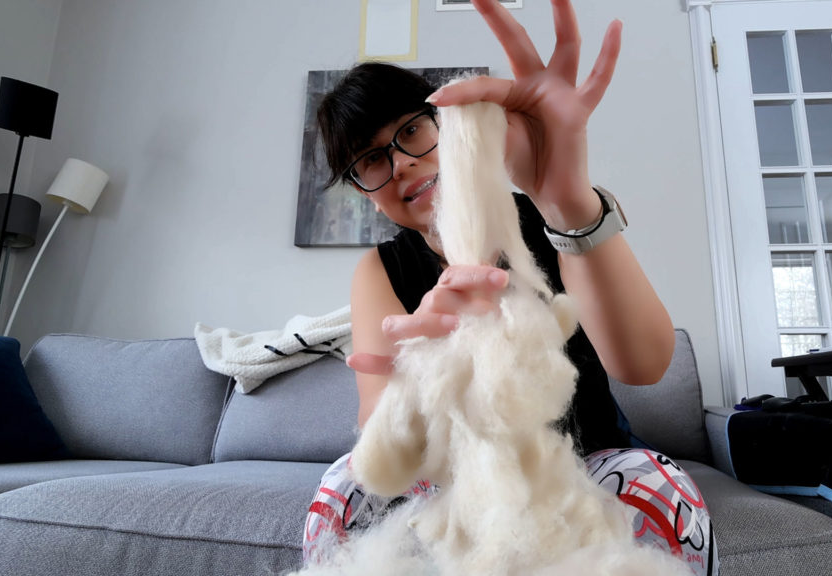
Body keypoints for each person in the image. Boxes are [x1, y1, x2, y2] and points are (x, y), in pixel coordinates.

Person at [302, 1, 716, 574]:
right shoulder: (379, 270)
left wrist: (567, 200)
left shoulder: (552, 219)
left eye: (411, 131)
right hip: (452, 479)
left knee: (660, 493)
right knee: (339, 495)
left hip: (588, 456)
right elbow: (383, 451)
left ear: (446, 124)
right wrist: (427, 356)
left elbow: (645, 362)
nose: (398, 164)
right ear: (364, 189)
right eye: (371, 160)